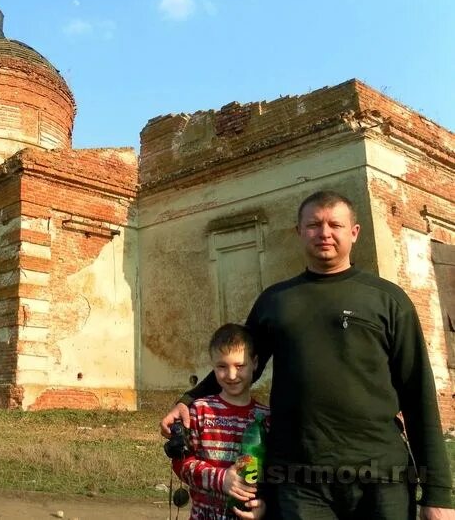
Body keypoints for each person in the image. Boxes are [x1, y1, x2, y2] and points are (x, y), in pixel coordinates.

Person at [160, 191, 454, 519]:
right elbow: (242, 367)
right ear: (298, 232)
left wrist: (438, 494)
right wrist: (187, 401)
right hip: (299, 481)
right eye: (313, 224)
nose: (324, 232)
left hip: (381, 476)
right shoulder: (277, 302)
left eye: (335, 224)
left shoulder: (388, 300)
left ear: (354, 233)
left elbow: (419, 397)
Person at [172, 323, 269, 519]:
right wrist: (221, 479)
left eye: (240, 366)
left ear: (255, 363)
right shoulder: (200, 411)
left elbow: (273, 472)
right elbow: (181, 463)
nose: (232, 375)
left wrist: (265, 504)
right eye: (222, 367)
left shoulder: (266, 418)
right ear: (213, 366)